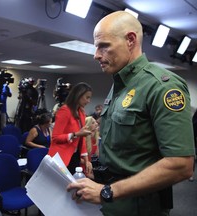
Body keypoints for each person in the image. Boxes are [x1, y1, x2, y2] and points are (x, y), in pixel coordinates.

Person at [67, 11, 195, 216]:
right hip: (111, 201)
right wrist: (98, 170)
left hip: (138, 207)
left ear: (130, 40)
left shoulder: (161, 86)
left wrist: (107, 192)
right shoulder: (120, 84)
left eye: (103, 46)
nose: (96, 55)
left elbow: (180, 165)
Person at [48, 82, 93, 175]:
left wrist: (86, 160)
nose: (89, 101)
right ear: (78, 95)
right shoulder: (65, 110)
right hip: (61, 157)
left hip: (75, 156)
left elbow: (82, 138)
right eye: (87, 97)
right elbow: (55, 138)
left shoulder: (80, 112)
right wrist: (75, 134)